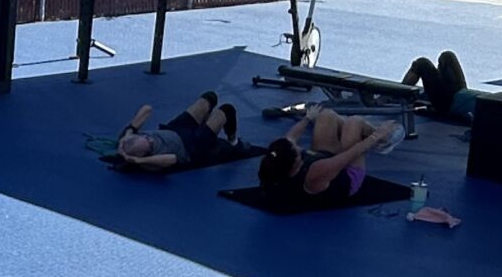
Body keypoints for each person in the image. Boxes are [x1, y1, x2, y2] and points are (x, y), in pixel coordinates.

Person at [255, 105, 400, 204]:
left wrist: (308, 118)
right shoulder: (315, 173)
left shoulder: (278, 160)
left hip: (326, 162)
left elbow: (291, 137)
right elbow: (351, 154)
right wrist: (377, 135)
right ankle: (385, 140)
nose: (299, 148)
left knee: (325, 115)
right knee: (354, 123)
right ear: (295, 163)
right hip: (348, 175)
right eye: (298, 151)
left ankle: (344, 123)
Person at [116, 93, 240, 169]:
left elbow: (147, 109)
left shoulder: (128, 140)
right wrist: (138, 161)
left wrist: (128, 133)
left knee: (209, 97)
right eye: (150, 144)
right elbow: (172, 159)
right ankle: (233, 142)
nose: (150, 139)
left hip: (176, 128)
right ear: (145, 153)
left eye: (146, 137)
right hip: (192, 145)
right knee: (227, 110)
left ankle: (206, 126)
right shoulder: (149, 162)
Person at [403, 51, 479, 123]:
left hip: (450, 104)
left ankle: (398, 95)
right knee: (447, 56)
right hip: (459, 93)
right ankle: (435, 90)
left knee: (421, 63)